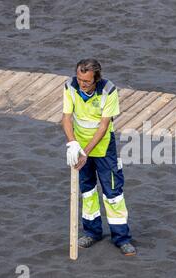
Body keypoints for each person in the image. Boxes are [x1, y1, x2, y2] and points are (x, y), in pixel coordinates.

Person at [62, 58, 136, 256]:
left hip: (103, 149)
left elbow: (103, 127)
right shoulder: (70, 86)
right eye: (79, 79)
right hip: (80, 148)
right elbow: (66, 117)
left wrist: (86, 151)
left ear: (96, 79)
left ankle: (121, 238)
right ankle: (92, 232)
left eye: (86, 81)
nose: (82, 84)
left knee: (113, 193)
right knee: (87, 192)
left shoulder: (108, 91)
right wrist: (72, 143)